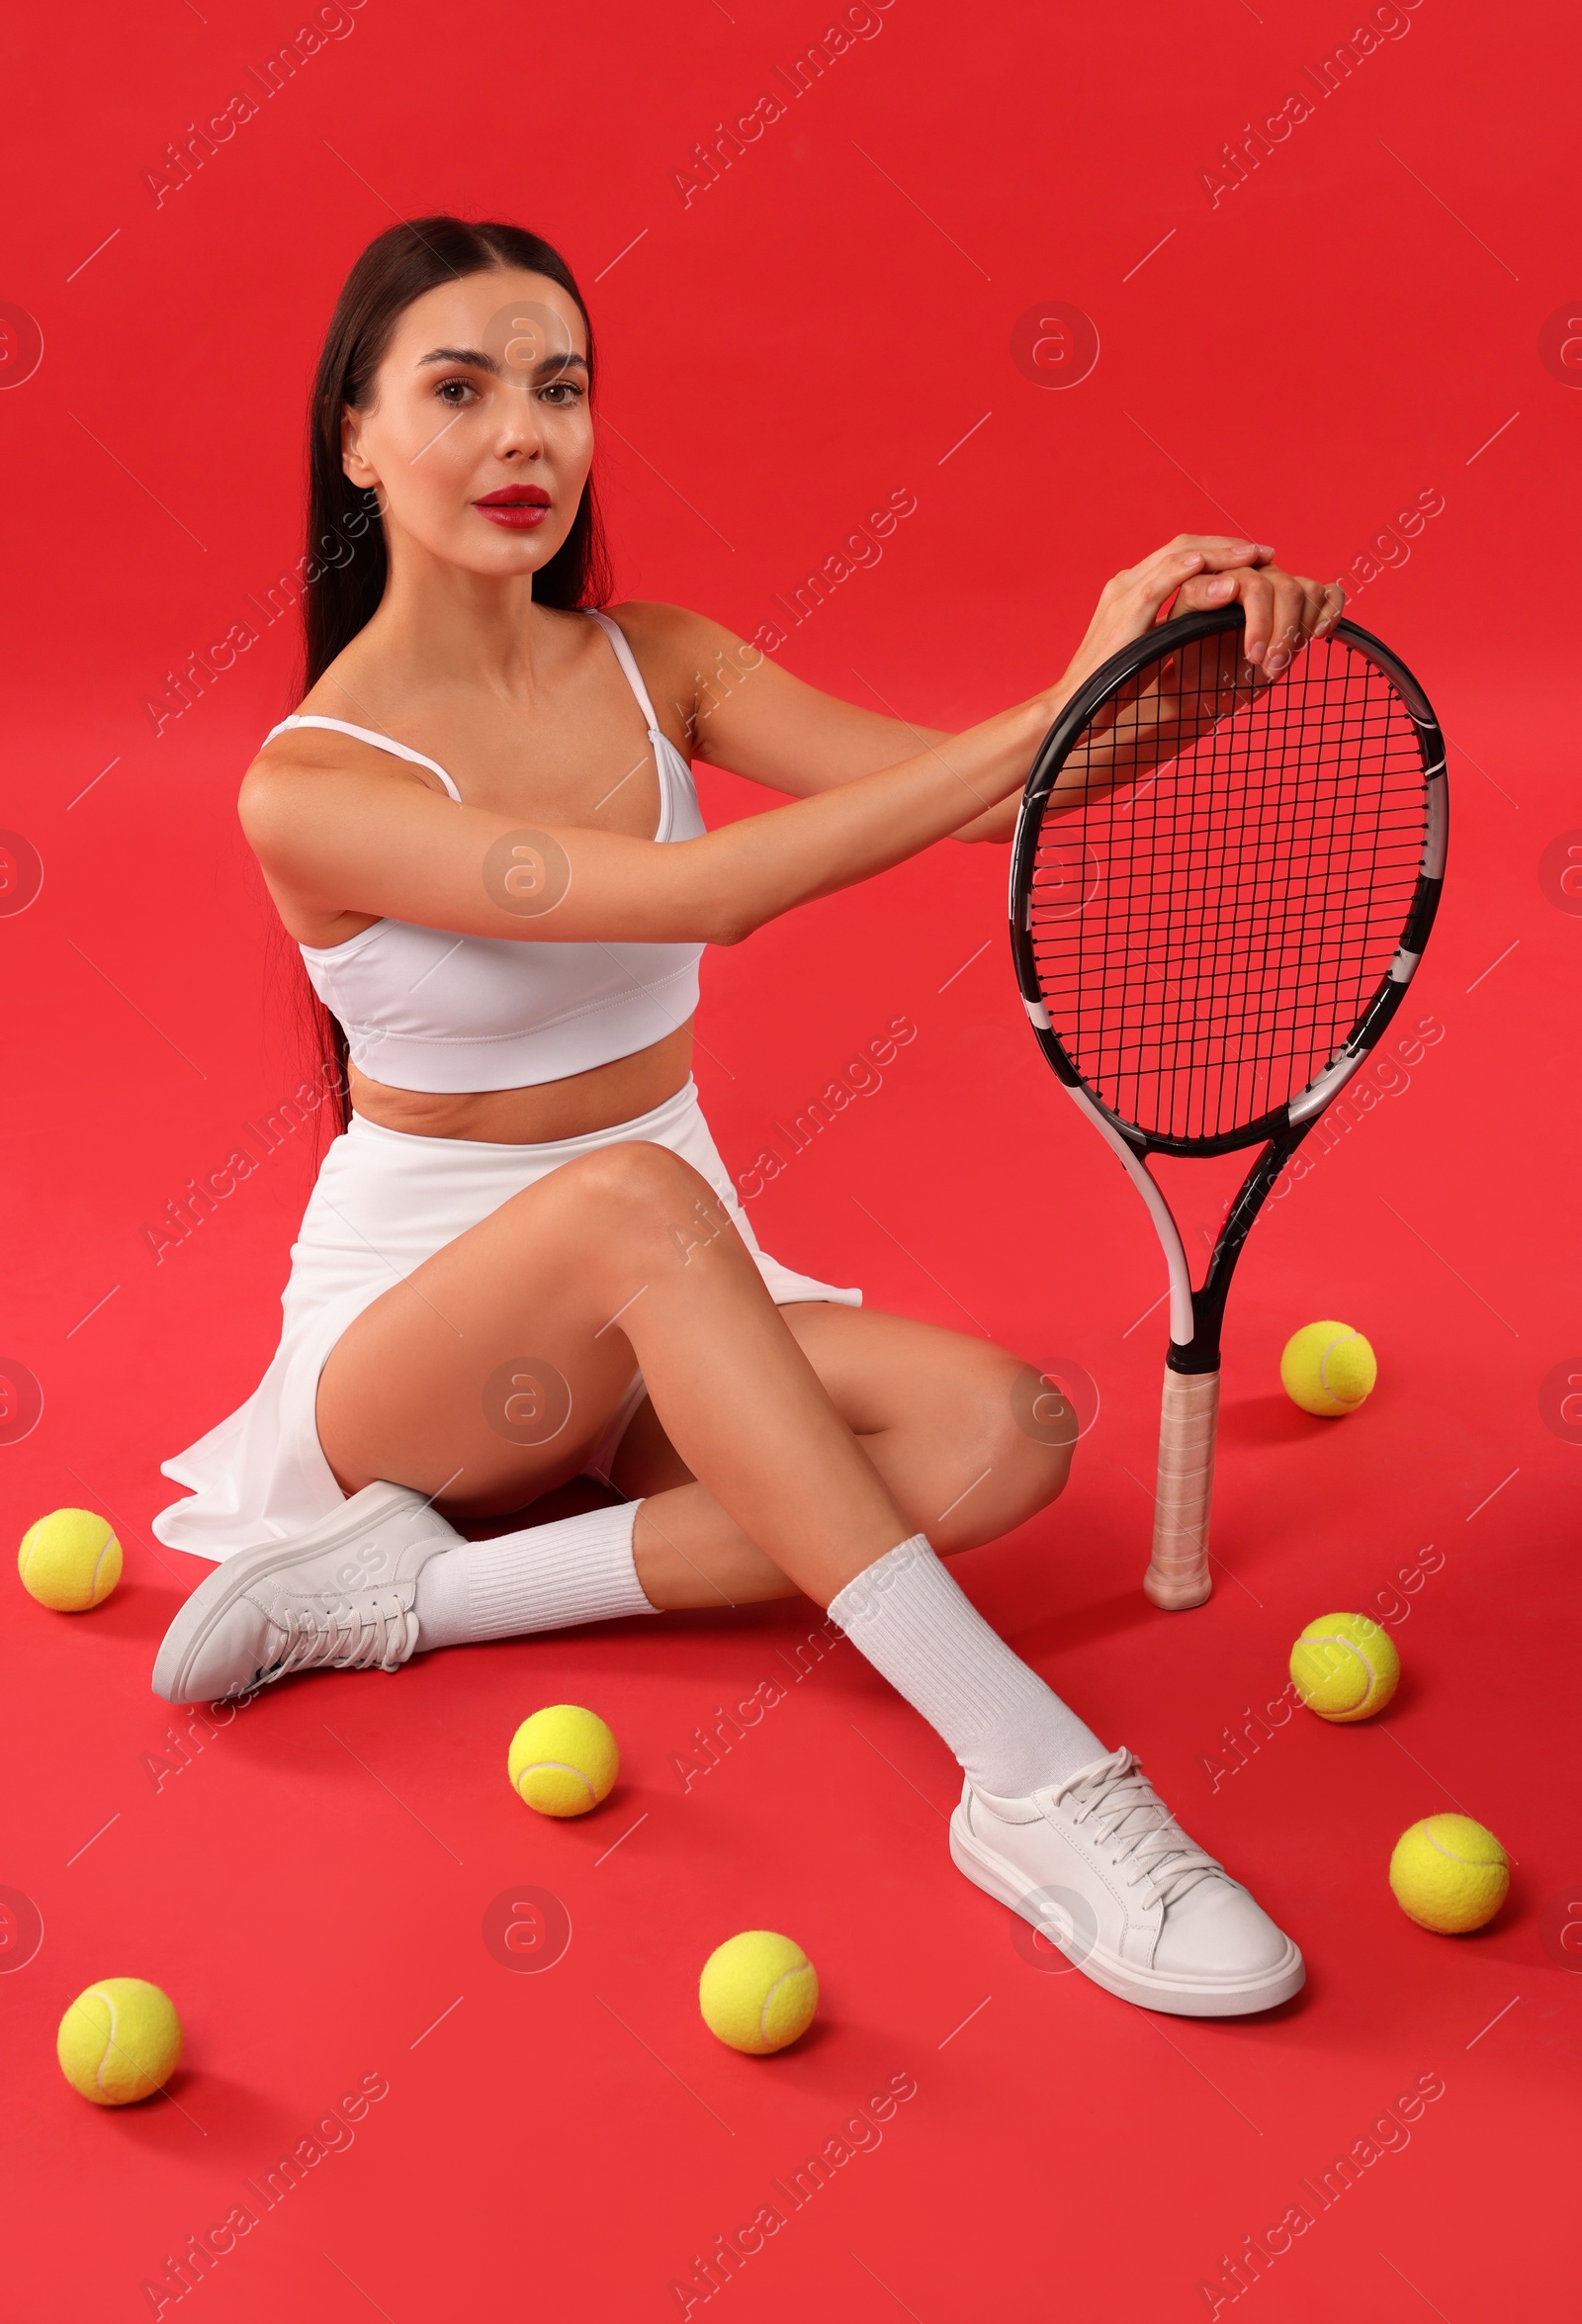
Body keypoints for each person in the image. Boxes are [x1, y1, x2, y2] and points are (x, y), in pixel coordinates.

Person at [151, 216, 1340, 2017]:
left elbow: (974, 807)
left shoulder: (659, 660)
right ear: (356, 438)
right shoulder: (309, 784)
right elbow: (700, 896)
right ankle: (1036, 1782)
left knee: (1000, 1434)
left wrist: (1175, 678)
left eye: (560, 388)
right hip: (422, 1356)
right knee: (637, 1195)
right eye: (458, 390)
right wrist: (1053, 685)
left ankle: (412, 1596)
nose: (522, 437)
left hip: (667, 1308)